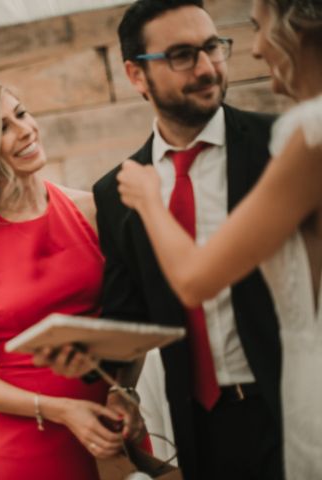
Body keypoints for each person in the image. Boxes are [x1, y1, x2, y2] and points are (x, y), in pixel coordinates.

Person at [117, 0, 322, 477]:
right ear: (136, 75)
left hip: (294, 389)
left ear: (298, 31)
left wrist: (149, 199)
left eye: (257, 28)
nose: (254, 49)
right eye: (183, 54)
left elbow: (194, 280)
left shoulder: (300, 139)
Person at [0, 79, 144, 480]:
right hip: (33, 445)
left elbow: (130, 320)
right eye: (3, 128)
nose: (26, 129)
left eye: (21, 113)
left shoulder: (93, 210)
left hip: (115, 429)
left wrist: (125, 391)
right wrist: (62, 410)